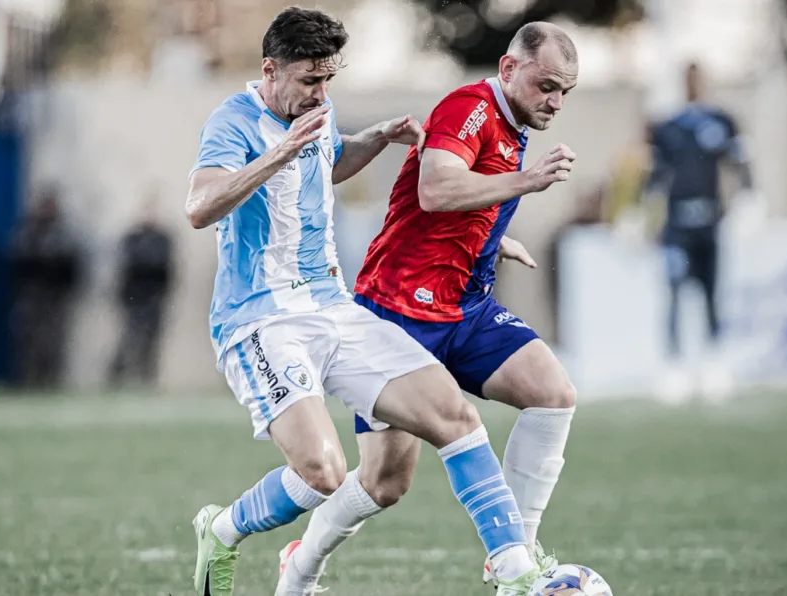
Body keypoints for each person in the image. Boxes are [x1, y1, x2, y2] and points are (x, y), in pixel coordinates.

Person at [185, 7, 544, 596]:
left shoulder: (314, 112)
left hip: (334, 307)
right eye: (308, 81)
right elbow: (199, 208)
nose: (320, 93)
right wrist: (277, 152)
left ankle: (516, 573)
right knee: (323, 473)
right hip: (261, 320)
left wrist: (372, 139)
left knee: (453, 414)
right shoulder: (233, 121)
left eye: (327, 80)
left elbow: (324, 162)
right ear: (270, 70)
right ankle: (222, 529)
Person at [278, 21, 579, 595]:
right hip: (398, 312)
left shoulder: (514, 119)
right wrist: (527, 182)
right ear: (509, 68)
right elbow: (436, 190)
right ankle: (300, 564)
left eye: (565, 91)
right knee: (385, 482)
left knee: (554, 394)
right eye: (546, 86)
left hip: (465, 306)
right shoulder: (470, 107)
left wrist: (494, 238)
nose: (555, 102)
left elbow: (462, 197)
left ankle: (513, 558)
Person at [646, 62, 755, 402]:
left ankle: (713, 364)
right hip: (677, 225)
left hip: (710, 222)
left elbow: (741, 163)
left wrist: (751, 198)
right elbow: (655, 174)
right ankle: (674, 368)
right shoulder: (668, 126)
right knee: (675, 293)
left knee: (711, 295)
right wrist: (640, 212)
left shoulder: (721, 122)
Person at [9, 187, 80, 389]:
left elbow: (72, 265)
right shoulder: (27, 231)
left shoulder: (64, 232)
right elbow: (19, 261)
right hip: (31, 296)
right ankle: (28, 381)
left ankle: (51, 382)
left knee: (54, 342)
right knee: (29, 342)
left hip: (56, 297)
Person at [109, 196, 173, 387]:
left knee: (151, 341)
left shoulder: (162, 239)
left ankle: (146, 378)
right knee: (129, 338)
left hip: (154, 297)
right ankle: (117, 377)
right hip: (134, 298)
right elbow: (128, 265)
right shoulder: (132, 238)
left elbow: (164, 266)